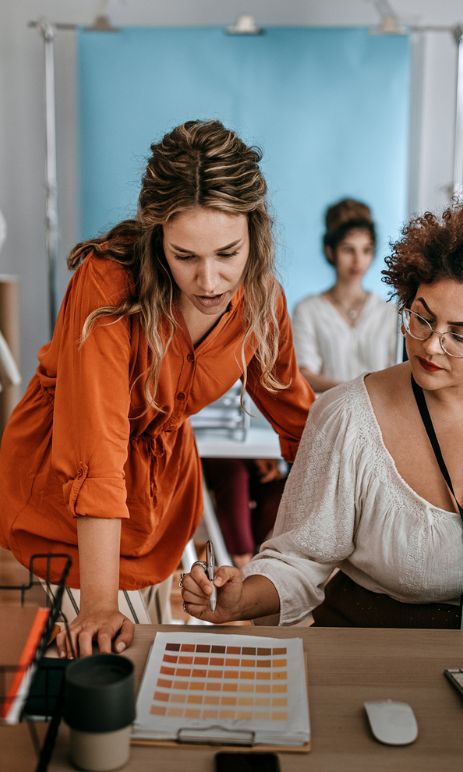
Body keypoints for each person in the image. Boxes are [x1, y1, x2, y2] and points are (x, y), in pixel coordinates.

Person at [181, 194, 463, 630]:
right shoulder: (346, 416)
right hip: (379, 644)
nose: (430, 345)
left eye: (461, 336)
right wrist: (239, 600)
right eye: (421, 319)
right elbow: (299, 560)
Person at [0, 119, 314, 655]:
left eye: (228, 254)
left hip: (159, 503)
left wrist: (323, 564)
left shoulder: (263, 299)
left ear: (255, 233)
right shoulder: (106, 285)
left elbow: (300, 423)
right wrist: (98, 603)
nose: (210, 281)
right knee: (99, 657)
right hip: (67, 494)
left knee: (144, 654)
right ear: (155, 236)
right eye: (185, 256)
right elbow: (95, 446)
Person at [291, 198, 397, 392]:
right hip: (328, 416)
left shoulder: (389, 313)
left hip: (381, 419)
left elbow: (398, 374)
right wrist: (357, 392)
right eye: (348, 250)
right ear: (330, 251)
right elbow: (303, 375)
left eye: (366, 250)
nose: (358, 260)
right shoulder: (308, 310)